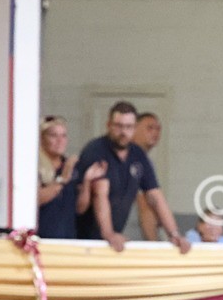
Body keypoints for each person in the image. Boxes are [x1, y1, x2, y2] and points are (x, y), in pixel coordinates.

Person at [75, 101, 190, 253]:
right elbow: (99, 195)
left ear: (134, 128)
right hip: (83, 239)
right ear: (108, 125)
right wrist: (108, 233)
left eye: (128, 127)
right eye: (118, 126)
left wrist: (174, 234)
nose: (123, 132)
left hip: (112, 239)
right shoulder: (96, 150)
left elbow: (155, 196)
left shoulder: (138, 154)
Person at [37, 116, 104, 239]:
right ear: (42, 138)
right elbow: (36, 200)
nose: (60, 140)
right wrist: (62, 179)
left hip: (67, 237)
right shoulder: (35, 166)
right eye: (53, 135)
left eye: (63, 136)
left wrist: (87, 181)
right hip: (41, 239)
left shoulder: (71, 166)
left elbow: (79, 208)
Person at [133, 112, 163, 241]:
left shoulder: (146, 161)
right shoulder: (133, 160)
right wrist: (154, 243)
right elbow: (144, 204)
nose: (155, 133)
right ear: (134, 129)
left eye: (158, 129)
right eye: (150, 128)